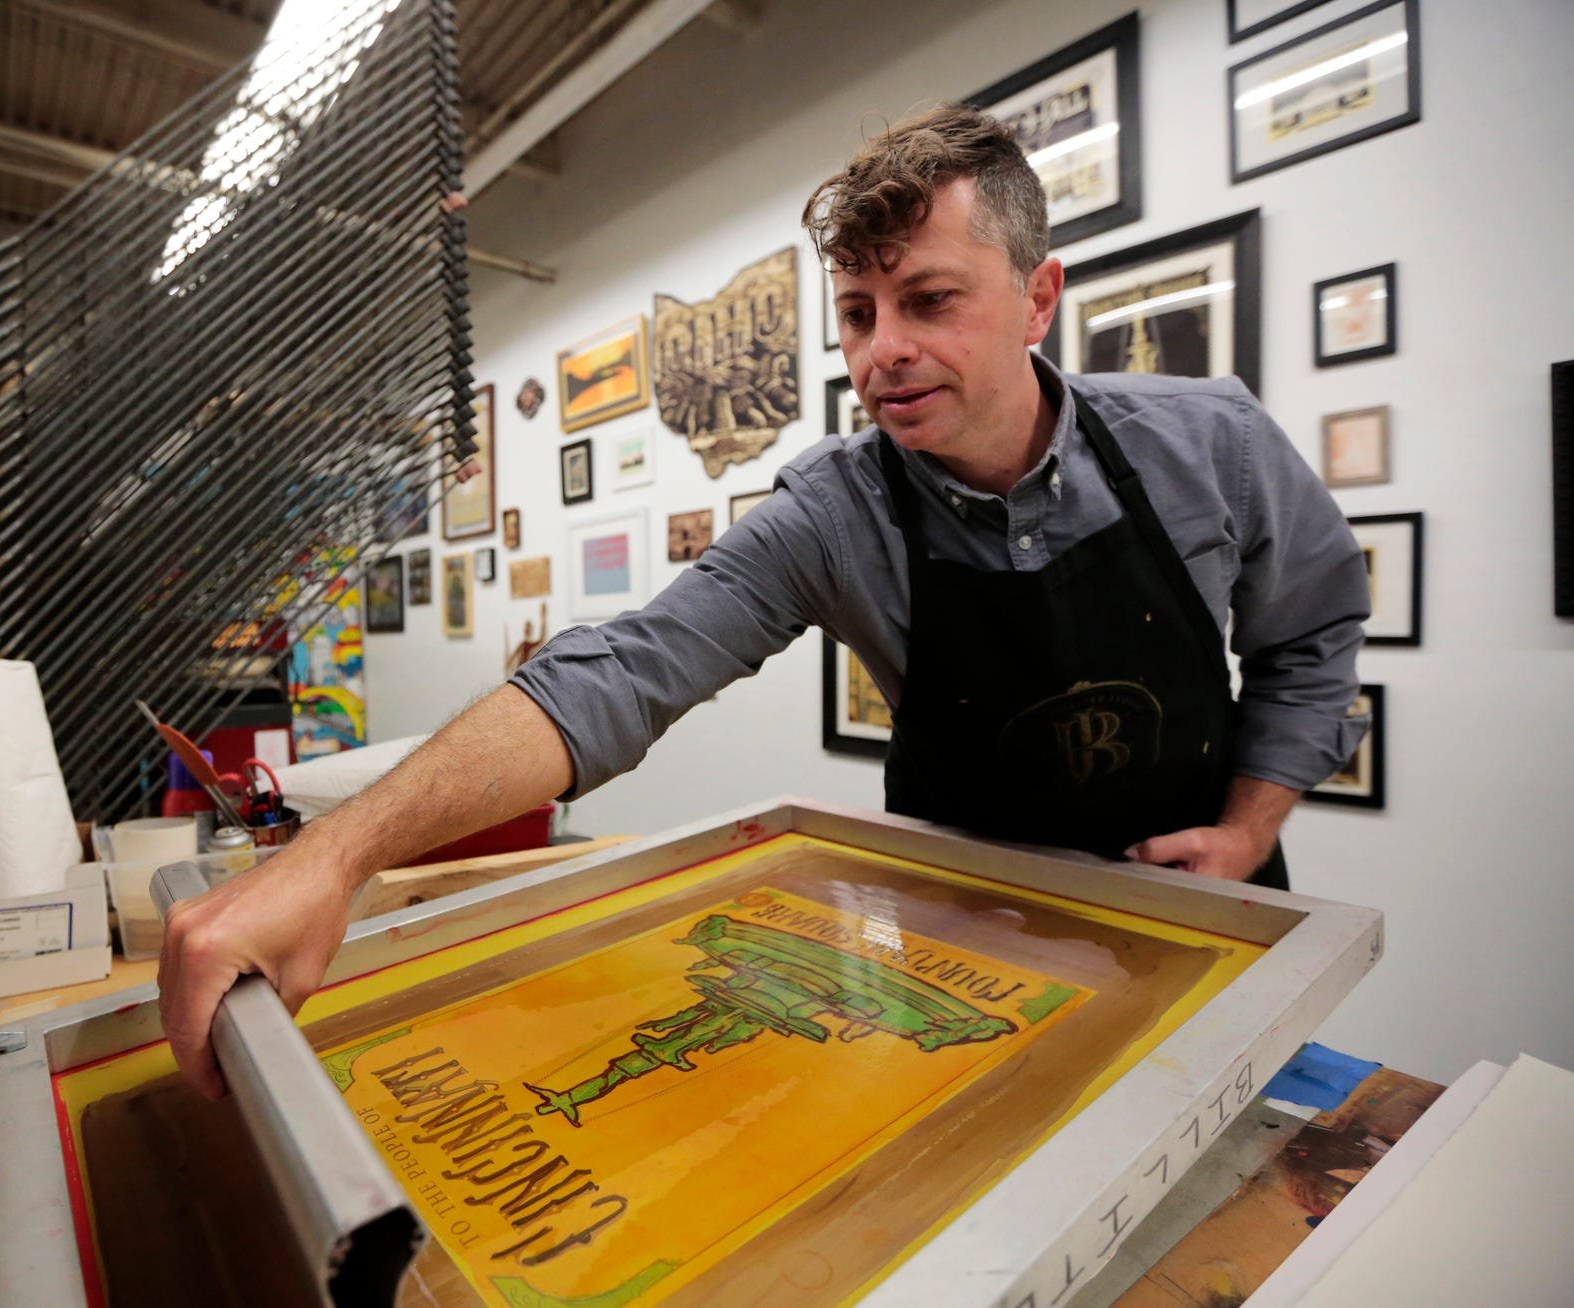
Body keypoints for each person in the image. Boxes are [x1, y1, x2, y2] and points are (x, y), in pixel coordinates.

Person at [158, 104, 1369, 1099]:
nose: (882, 351)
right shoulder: (834, 514)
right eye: (857, 313)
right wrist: (333, 859)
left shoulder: (1209, 445)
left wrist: (1247, 827)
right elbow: (622, 673)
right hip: (970, 951)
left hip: (1206, 912)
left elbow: (1310, 635)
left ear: (1037, 295)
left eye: (929, 301)